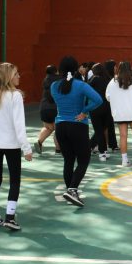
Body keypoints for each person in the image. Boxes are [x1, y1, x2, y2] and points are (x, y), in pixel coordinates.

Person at [0, 63, 32, 230]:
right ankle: (10, 217)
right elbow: (19, 125)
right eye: (16, 74)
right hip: (11, 144)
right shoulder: (15, 96)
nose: (19, 76)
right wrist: (26, 148)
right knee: (14, 180)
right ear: (8, 76)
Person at [51, 56, 103, 207]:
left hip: (60, 126)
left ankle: (70, 190)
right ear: (76, 69)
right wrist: (84, 111)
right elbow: (98, 100)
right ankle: (73, 190)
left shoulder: (55, 86)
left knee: (68, 160)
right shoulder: (81, 85)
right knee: (84, 159)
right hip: (78, 125)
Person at [88, 63, 113, 162]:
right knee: (101, 130)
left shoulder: (93, 79)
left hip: (95, 108)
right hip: (107, 108)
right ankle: (103, 151)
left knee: (98, 131)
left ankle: (102, 152)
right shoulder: (109, 79)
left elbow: (87, 92)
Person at [35, 65, 62, 155]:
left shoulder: (45, 80)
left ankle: (39, 142)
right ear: (56, 71)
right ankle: (58, 149)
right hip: (55, 107)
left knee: (48, 128)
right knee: (58, 129)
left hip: (44, 107)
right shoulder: (59, 79)